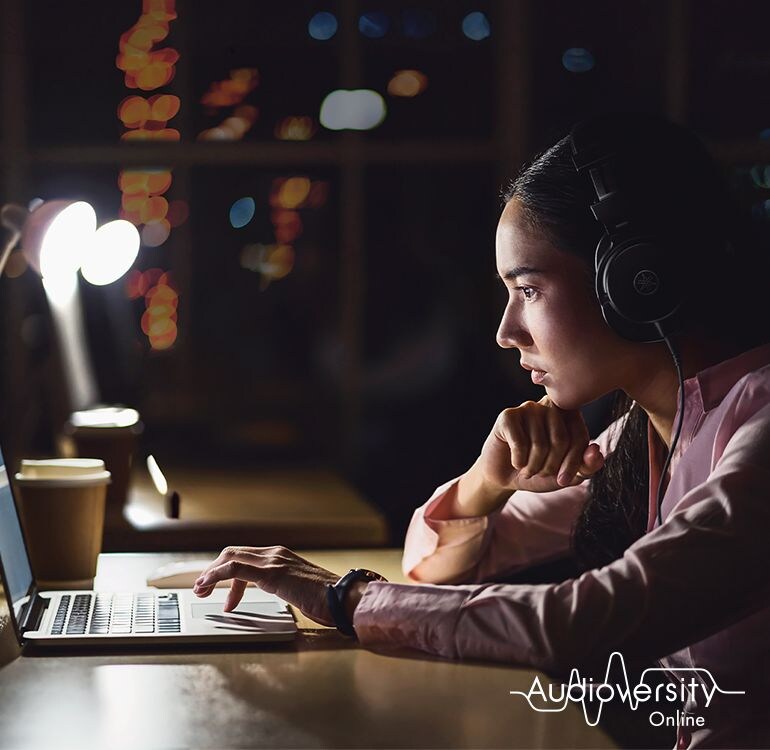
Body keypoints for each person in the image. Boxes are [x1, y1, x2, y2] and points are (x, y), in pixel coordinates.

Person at [193, 113, 770, 749]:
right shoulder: (651, 430)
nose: (505, 330)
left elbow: (589, 619)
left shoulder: (756, 426)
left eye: (528, 288)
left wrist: (344, 599)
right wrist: (483, 484)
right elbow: (431, 572)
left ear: (634, 280)